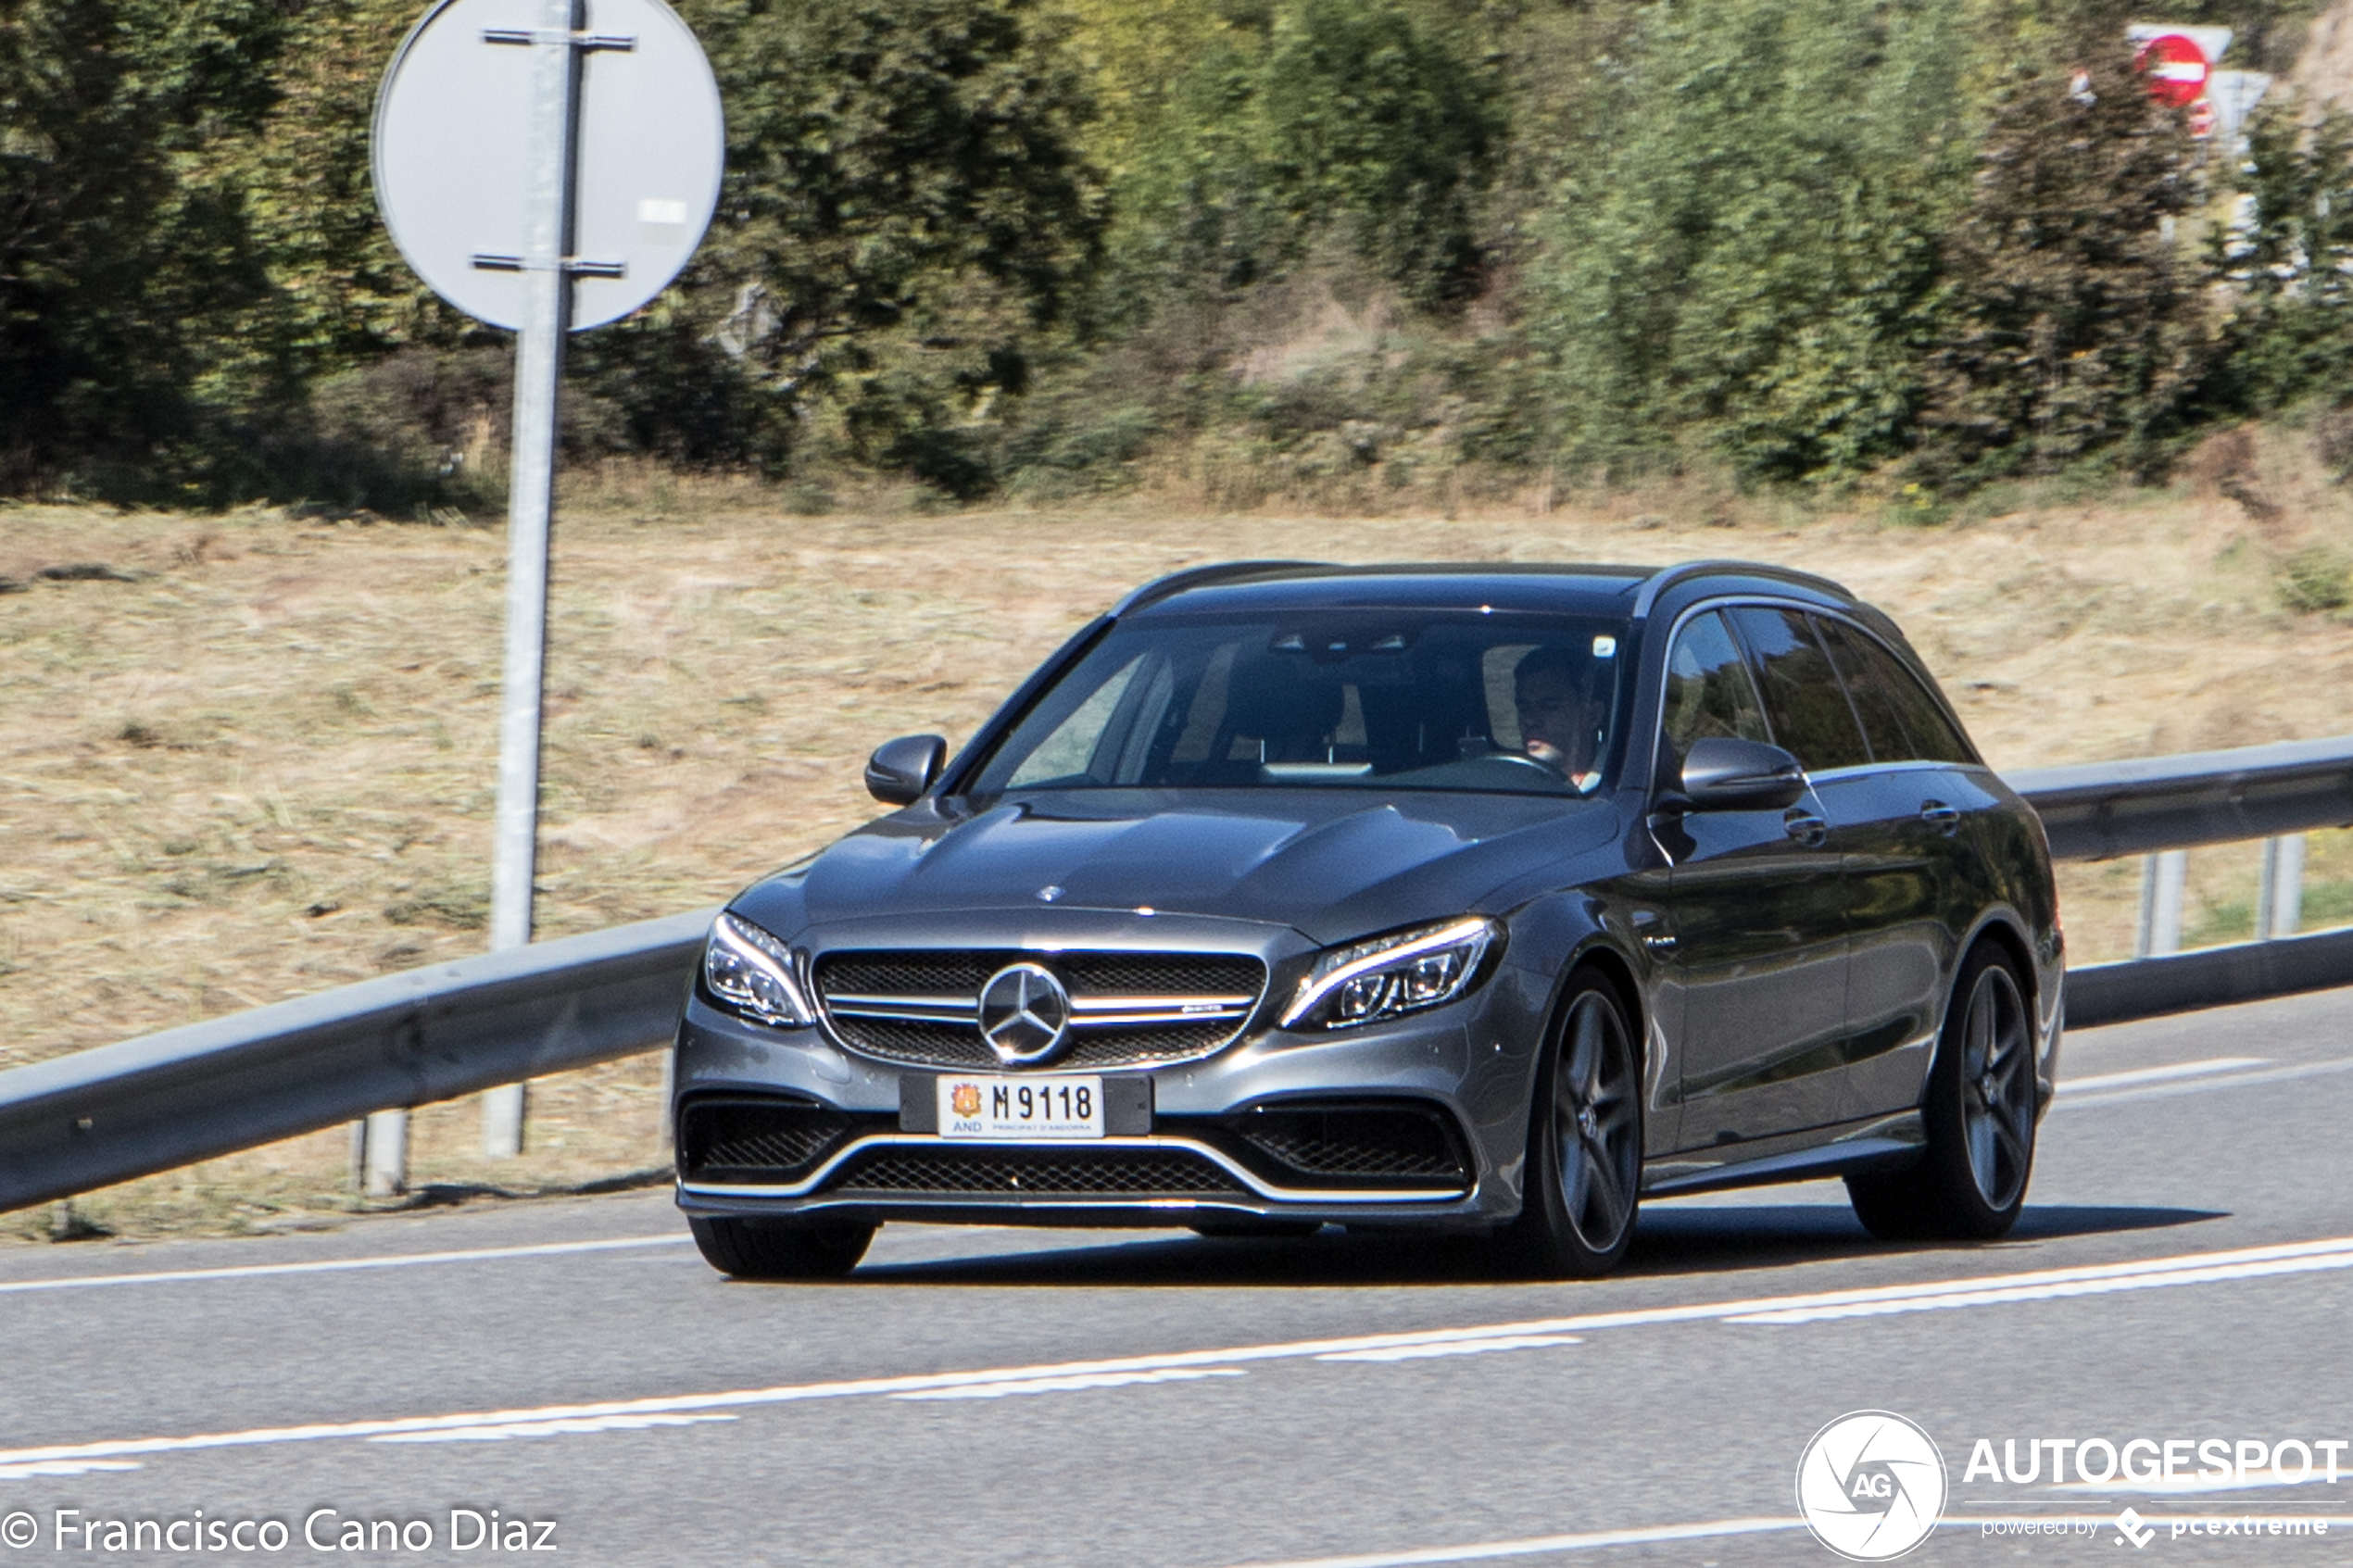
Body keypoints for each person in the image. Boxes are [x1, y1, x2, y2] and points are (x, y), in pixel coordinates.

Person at [1514, 645, 1600, 781]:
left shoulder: (1614, 788)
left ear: (1591, 716)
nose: (1529, 720)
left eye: (1548, 706)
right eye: (1523, 708)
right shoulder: (1508, 786)